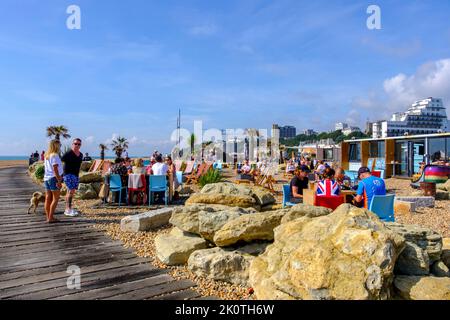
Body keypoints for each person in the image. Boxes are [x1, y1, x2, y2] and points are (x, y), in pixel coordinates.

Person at [61, 138, 83, 217]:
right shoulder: (68, 153)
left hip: (75, 175)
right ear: (72, 144)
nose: (77, 145)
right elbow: (61, 161)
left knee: (69, 192)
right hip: (68, 174)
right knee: (71, 191)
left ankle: (67, 209)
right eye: (75, 143)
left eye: (78, 144)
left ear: (80, 145)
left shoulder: (81, 155)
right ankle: (68, 209)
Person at [43, 140, 63, 223]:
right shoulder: (55, 155)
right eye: (59, 145)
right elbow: (55, 169)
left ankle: (48, 217)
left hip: (47, 178)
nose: (60, 146)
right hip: (53, 178)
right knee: (55, 199)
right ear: (56, 146)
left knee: (48, 198)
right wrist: (59, 180)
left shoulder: (47, 155)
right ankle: (50, 218)